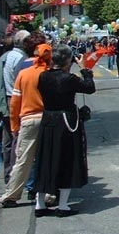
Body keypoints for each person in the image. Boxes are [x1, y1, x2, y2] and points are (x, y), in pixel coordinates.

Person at [35, 44, 96, 217]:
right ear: (68, 60)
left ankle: (40, 204)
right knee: (67, 159)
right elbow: (89, 88)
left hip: (48, 119)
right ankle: (63, 205)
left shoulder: (43, 76)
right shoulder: (69, 79)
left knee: (46, 159)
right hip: (66, 120)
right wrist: (84, 69)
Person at [0, 43, 51, 209]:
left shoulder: (24, 74)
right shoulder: (50, 74)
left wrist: (14, 126)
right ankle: (49, 194)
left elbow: (14, 104)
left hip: (28, 120)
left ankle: (10, 195)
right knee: (48, 158)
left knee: (23, 160)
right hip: (48, 120)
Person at [0, 30, 29, 186]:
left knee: (8, 140)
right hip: (15, 99)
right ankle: (16, 176)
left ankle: (9, 175)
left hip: (6, 98)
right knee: (17, 139)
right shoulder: (21, 59)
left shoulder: (6, 56)